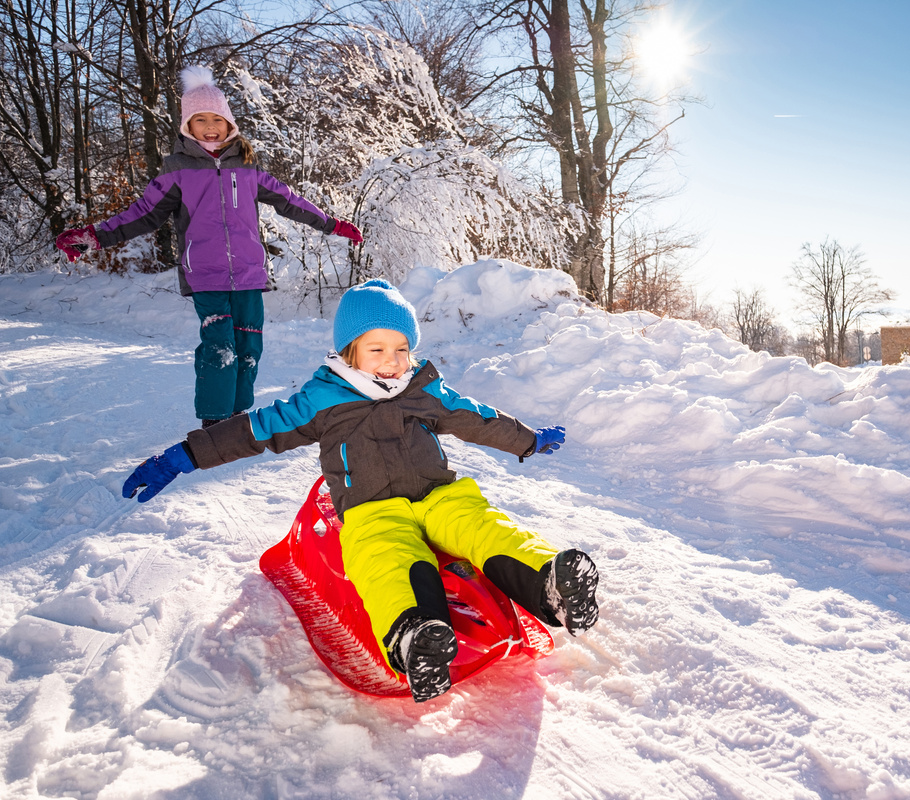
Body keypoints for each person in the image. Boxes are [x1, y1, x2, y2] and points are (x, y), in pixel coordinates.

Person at [121, 279, 600, 702]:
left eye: (401, 349)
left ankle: (550, 584)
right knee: (385, 560)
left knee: (484, 527)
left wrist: (529, 440)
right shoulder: (323, 400)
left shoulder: (424, 389)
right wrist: (185, 455)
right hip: (371, 510)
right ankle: (415, 636)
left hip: (439, 495)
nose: (392, 362)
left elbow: (476, 417)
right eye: (377, 349)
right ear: (350, 351)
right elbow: (256, 429)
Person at [55, 65, 363, 428]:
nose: (210, 126)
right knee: (220, 347)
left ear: (229, 123)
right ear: (188, 126)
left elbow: (288, 200)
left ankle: (237, 415)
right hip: (205, 273)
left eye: (217, 118)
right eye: (200, 120)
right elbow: (143, 214)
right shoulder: (177, 171)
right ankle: (215, 421)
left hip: (248, 273)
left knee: (249, 349)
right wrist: (94, 235)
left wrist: (330, 223)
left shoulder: (248, 167)